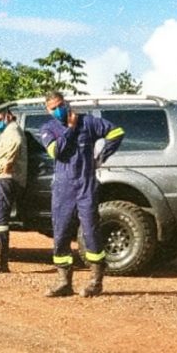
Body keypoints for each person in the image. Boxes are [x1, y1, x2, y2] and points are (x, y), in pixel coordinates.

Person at [39, 91, 125, 297]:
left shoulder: (88, 122)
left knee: (91, 231)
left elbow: (117, 132)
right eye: (53, 108)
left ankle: (96, 282)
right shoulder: (47, 128)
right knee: (60, 233)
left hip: (86, 184)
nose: (58, 110)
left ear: (66, 102)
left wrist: (102, 155)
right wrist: (70, 128)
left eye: (60, 105)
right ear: (47, 110)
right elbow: (55, 152)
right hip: (63, 186)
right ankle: (63, 281)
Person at [0, 108, 27, 273]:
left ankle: (1, 263)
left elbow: (15, 143)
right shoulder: (7, 132)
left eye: (0, 119)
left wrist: (7, 164)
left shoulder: (13, 129)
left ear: (8, 116)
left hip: (5, 179)